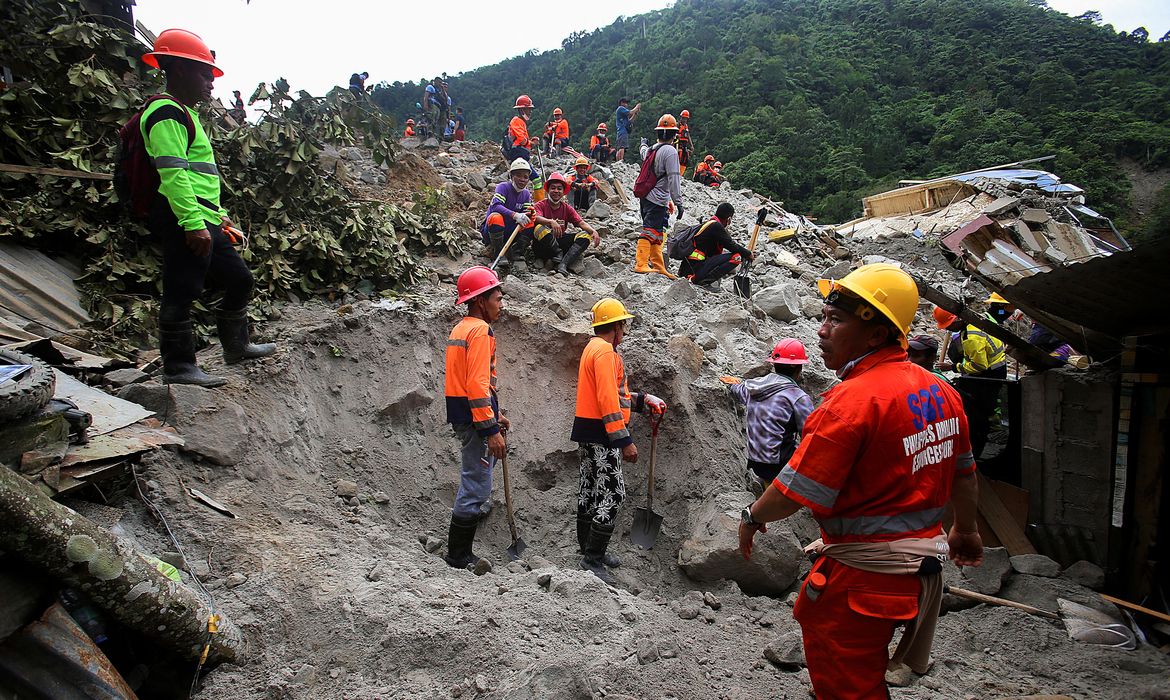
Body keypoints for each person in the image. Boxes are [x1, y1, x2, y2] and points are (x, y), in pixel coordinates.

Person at [738, 263, 984, 700]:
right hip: (921, 568)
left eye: (835, 319)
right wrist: (965, 529)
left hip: (866, 579)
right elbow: (964, 471)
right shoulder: (941, 391)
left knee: (847, 686)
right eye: (822, 317)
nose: (821, 330)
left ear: (876, 334)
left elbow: (793, 492)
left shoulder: (851, 401)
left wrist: (752, 517)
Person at [137, 29, 275, 388]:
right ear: (179, 70)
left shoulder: (184, 114)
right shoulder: (165, 113)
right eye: (204, 74)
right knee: (182, 288)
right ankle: (179, 367)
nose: (211, 83)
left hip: (201, 214)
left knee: (239, 279)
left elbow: (194, 175)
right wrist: (192, 222)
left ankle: (236, 346)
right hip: (182, 215)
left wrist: (216, 215)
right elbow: (173, 173)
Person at [572, 298, 666, 583]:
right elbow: (607, 400)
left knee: (590, 489)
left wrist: (642, 400)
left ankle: (588, 549)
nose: (624, 331)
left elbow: (613, 394)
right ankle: (593, 558)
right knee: (613, 493)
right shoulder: (605, 354)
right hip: (603, 433)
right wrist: (624, 440)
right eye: (623, 325)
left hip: (588, 430)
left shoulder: (594, 348)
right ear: (614, 326)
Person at [443, 266, 511, 573]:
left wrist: (495, 416)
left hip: (465, 415)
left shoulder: (461, 328)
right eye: (497, 298)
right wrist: (490, 428)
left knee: (475, 480)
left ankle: (460, 548)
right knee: (477, 487)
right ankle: (458, 555)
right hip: (474, 420)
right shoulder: (482, 331)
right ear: (481, 300)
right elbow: (477, 385)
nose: (500, 304)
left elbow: (467, 382)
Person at [720, 339, 815, 496]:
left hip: (754, 460)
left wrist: (732, 384)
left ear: (774, 365)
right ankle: (780, 491)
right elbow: (811, 434)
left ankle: (764, 484)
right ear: (799, 369)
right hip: (779, 465)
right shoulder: (798, 397)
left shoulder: (753, 387)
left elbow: (738, 390)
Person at [934, 306, 1006, 459]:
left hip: (988, 374)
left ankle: (979, 442)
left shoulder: (972, 337)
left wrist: (953, 367)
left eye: (949, 326)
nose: (950, 329)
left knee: (980, 410)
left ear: (957, 320)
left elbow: (980, 366)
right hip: (997, 365)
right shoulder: (977, 318)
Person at [634, 114, 683, 279]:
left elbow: (643, 153)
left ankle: (658, 265)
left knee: (657, 233)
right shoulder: (670, 152)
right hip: (657, 198)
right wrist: (678, 202)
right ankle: (640, 263)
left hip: (646, 196)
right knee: (650, 230)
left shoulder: (652, 149)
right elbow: (674, 177)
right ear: (674, 134)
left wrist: (642, 144)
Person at [531, 171, 600, 276]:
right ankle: (557, 254)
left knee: (585, 236)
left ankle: (563, 263)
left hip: (560, 241)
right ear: (548, 190)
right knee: (539, 228)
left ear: (563, 191)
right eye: (553, 188)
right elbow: (535, 217)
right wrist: (550, 222)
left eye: (559, 188)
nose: (556, 191)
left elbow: (580, 222)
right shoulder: (541, 205)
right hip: (543, 246)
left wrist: (593, 231)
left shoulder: (567, 208)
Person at [677, 203, 754, 289]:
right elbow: (732, 246)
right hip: (694, 270)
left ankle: (699, 278)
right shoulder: (716, 226)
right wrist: (748, 254)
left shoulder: (709, 224)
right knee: (736, 257)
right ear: (729, 219)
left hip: (687, 269)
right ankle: (701, 281)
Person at [481, 158, 536, 271]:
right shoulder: (503, 187)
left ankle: (517, 253)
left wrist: (530, 213)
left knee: (531, 223)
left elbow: (526, 212)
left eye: (525, 177)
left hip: (511, 232)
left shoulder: (526, 194)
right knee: (496, 217)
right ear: (511, 176)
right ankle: (498, 253)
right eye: (519, 175)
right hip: (493, 230)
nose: (522, 179)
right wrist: (515, 215)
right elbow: (496, 206)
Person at [504, 94, 544, 200]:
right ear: (522, 109)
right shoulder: (516, 121)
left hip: (521, 154)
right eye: (528, 109)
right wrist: (532, 143)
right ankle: (539, 205)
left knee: (523, 181)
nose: (530, 111)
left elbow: (524, 140)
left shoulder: (521, 122)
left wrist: (531, 141)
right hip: (518, 154)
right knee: (535, 179)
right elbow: (521, 140)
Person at [613, 98, 641, 162]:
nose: (626, 104)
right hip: (622, 131)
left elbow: (630, 121)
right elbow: (630, 112)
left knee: (621, 147)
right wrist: (636, 107)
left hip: (623, 131)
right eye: (625, 103)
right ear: (621, 103)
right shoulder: (620, 108)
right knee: (622, 147)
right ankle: (620, 161)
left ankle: (619, 161)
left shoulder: (624, 115)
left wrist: (635, 113)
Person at [676, 109, 693, 175]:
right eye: (683, 118)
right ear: (681, 118)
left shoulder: (686, 126)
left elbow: (688, 136)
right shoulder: (677, 125)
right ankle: (675, 172)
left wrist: (691, 145)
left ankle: (680, 174)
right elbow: (673, 134)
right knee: (678, 157)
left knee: (685, 158)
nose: (685, 120)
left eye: (686, 119)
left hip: (684, 144)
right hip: (678, 143)